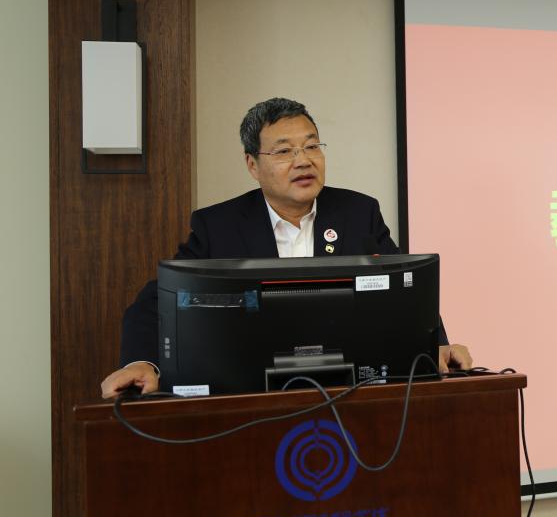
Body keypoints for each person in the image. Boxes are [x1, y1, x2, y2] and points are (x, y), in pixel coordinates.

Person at [100, 97, 471, 398]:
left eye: (312, 146)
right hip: (251, 395)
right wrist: (142, 362)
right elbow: (156, 302)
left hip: (347, 390)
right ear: (252, 165)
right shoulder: (219, 226)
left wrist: (436, 346)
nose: (303, 160)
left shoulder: (358, 213)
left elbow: (407, 291)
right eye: (284, 151)